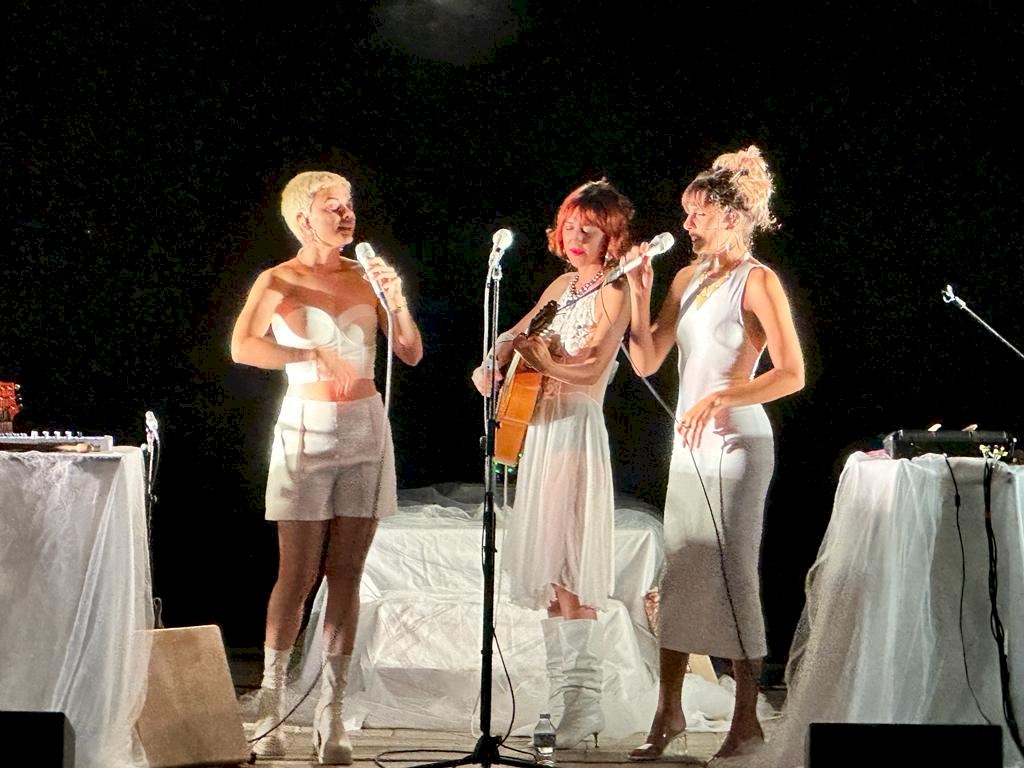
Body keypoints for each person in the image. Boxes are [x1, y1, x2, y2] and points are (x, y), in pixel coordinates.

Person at [230, 170, 423, 764]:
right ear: (301, 219)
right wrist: (308, 350)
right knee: (296, 574)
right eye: (332, 207)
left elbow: (410, 351)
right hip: (306, 427)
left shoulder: (365, 277)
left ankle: (331, 713)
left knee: (347, 573)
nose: (346, 214)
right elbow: (243, 346)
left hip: (365, 426)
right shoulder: (278, 278)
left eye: (349, 205)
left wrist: (396, 300)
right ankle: (272, 703)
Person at [623, 147, 804, 763]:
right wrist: (640, 294)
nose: (687, 225)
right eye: (686, 213)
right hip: (690, 444)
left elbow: (792, 373)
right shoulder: (687, 278)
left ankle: (747, 720)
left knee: (732, 575)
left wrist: (726, 394)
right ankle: (668, 711)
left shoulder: (758, 280)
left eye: (697, 214)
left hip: (738, 443)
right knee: (679, 573)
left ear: (731, 217)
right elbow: (646, 360)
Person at [471, 179, 633, 749]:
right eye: (570, 225)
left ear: (612, 238)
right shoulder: (563, 286)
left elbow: (592, 369)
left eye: (589, 228)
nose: (576, 236)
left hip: (575, 429)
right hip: (540, 429)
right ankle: (567, 699)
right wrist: (493, 363)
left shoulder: (616, 290)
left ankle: (585, 703)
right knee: (551, 576)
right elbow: (517, 334)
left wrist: (544, 361)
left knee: (571, 567)